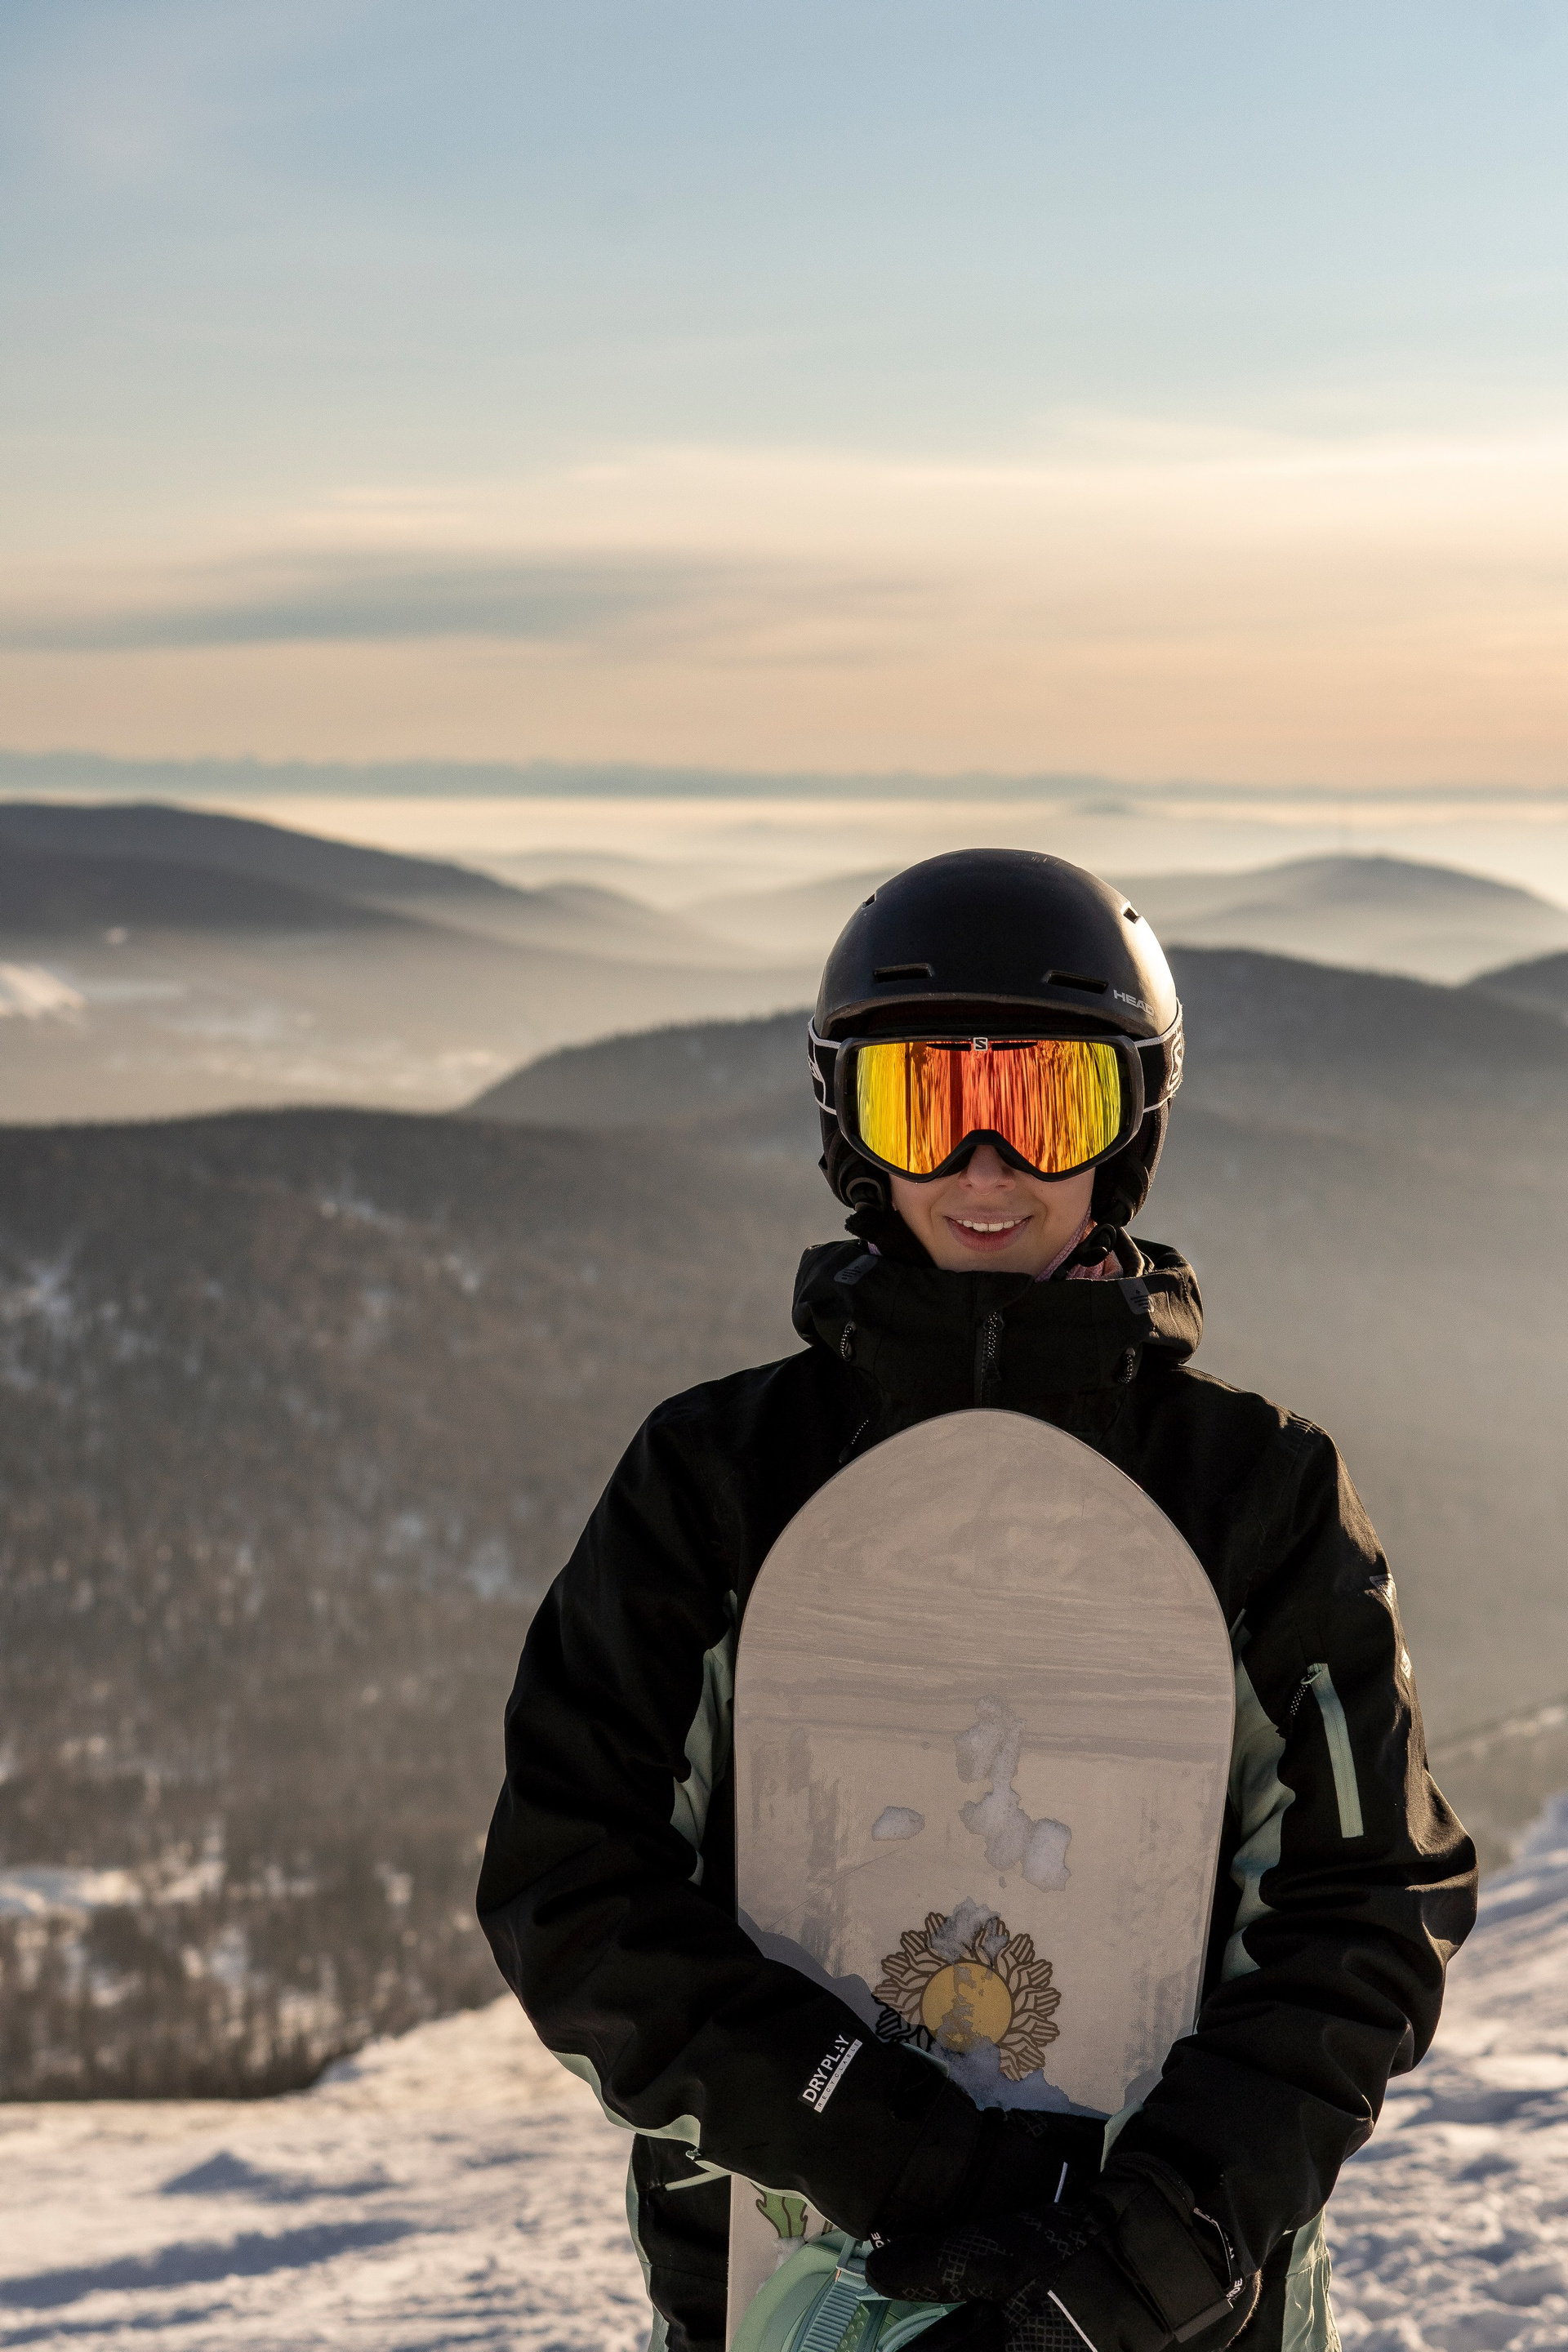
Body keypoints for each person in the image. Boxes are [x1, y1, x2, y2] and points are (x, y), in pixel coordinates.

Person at [478, 849, 1477, 2352]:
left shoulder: (1255, 1495)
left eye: (1048, 1103)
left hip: (1173, 2305)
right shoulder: (718, 1482)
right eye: (926, 1104)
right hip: (788, 2278)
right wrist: (896, 2151)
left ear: (1128, 1127)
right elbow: (571, 1883)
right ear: (851, 1130)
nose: (987, 1165)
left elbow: (1371, 1906)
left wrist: (1167, 2234)